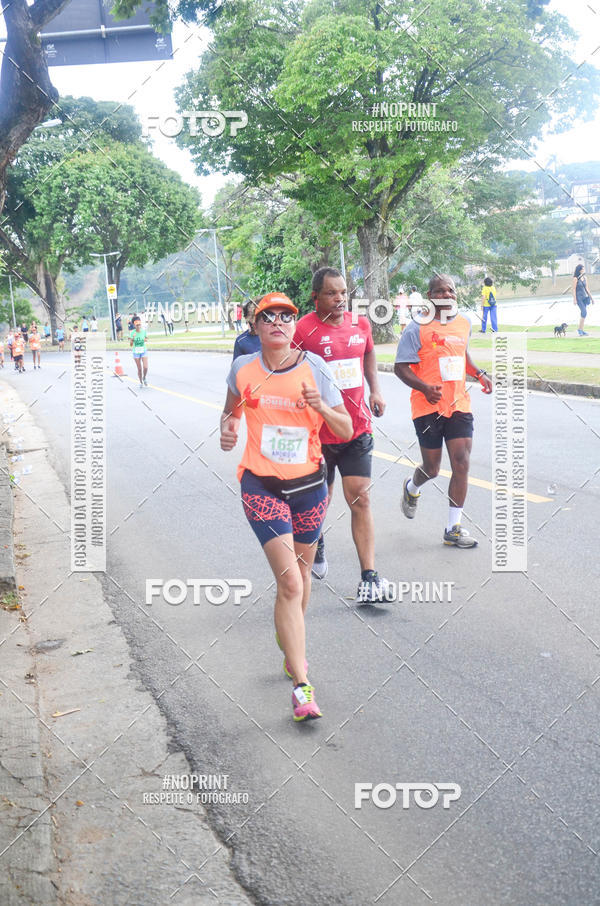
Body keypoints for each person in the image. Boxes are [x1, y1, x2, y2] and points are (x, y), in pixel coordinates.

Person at [221, 291, 351, 722]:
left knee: (302, 578)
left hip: (311, 487)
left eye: (286, 316)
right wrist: (229, 428)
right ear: (255, 326)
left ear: (295, 325)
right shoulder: (243, 368)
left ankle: (290, 648)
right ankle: (302, 686)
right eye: (268, 316)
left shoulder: (316, 369)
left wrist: (322, 409)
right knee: (291, 583)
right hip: (261, 486)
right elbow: (231, 410)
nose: (278, 322)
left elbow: (346, 426)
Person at [293, 267, 390, 602]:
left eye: (343, 292)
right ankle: (317, 539)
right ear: (315, 297)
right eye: (331, 293)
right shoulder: (303, 330)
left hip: (357, 428)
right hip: (318, 434)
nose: (339, 299)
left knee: (360, 497)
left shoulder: (359, 324)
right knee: (321, 503)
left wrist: (375, 390)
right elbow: (288, 369)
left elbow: (369, 353)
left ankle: (370, 577)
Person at [394, 273, 493, 548]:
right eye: (439, 291)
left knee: (461, 462)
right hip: (427, 407)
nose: (446, 294)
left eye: (450, 290)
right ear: (430, 296)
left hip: (459, 404)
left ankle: (453, 528)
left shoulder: (464, 323)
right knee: (432, 468)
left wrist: (479, 373)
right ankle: (411, 488)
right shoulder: (416, 328)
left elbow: (462, 354)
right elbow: (400, 367)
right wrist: (425, 388)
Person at [573, 264, 594, 336]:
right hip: (579, 298)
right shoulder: (575, 278)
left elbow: (587, 288)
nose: (583, 270)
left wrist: (591, 298)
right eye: (582, 269)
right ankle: (579, 330)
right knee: (584, 312)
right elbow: (573, 289)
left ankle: (581, 330)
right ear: (579, 270)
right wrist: (574, 299)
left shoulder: (585, 278)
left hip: (585, 297)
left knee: (583, 314)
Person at [129, 314, 149, 387]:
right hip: (136, 352)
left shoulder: (143, 331)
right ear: (134, 325)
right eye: (137, 325)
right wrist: (133, 338)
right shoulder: (132, 333)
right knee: (139, 369)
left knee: (146, 367)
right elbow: (131, 345)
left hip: (143, 350)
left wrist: (145, 340)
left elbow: (146, 338)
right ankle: (140, 382)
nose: (138, 326)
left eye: (139, 324)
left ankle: (144, 378)